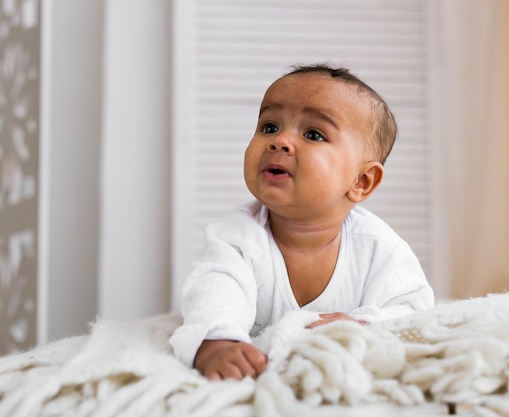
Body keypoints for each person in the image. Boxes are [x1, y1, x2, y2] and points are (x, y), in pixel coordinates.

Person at [169, 63, 434, 381]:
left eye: (313, 134)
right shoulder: (236, 237)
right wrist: (218, 344)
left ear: (362, 181)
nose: (279, 141)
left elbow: (414, 313)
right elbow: (214, 294)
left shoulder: (379, 248)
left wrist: (365, 327)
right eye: (269, 127)